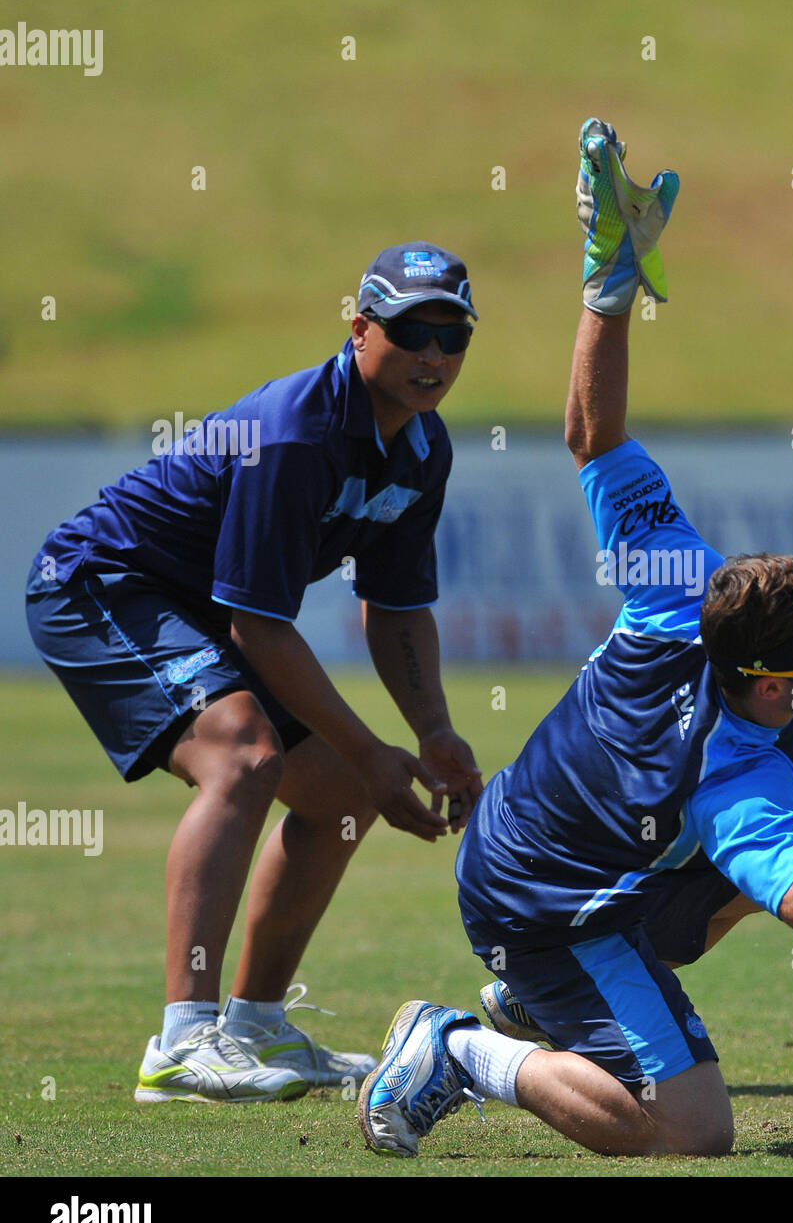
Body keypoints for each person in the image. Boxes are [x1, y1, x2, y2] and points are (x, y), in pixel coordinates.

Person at [355, 119, 793, 1160]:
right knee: (688, 1128)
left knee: (723, 888)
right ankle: (464, 1048)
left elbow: (592, 435)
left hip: (536, 829)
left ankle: (537, 1007)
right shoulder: (735, 780)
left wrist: (607, 288)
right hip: (546, 904)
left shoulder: (677, 588)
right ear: (768, 680)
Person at [26, 242, 484, 1102]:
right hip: (98, 583)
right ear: (359, 329)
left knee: (341, 794)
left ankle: (256, 1028)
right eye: (411, 329)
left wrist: (431, 734)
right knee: (242, 754)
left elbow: (393, 609)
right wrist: (373, 751)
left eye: (452, 334)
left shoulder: (424, 451)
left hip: (197, 606)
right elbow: (259, 626)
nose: (433, 354)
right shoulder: (293, 433)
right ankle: (181, 1042)